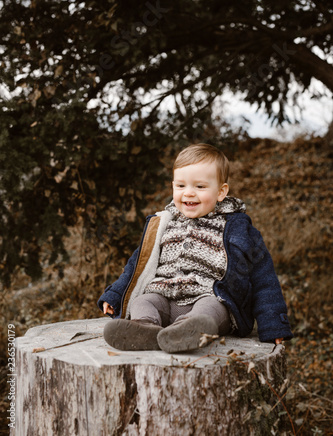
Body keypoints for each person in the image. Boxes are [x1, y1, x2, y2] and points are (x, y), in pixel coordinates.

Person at [97, 143, 293, 353]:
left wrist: (273, 323)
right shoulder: (163, 224)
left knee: (210, 309)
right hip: (163, 295)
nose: (189, 193)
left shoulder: (237, 229)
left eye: (200, 187)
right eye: (181, 186)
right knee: (144, 302)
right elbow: (137, 265)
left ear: (221, 191)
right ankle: (145, 328)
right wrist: (116, 294)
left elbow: (264, 278)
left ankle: (190, 330)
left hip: (210, 297)